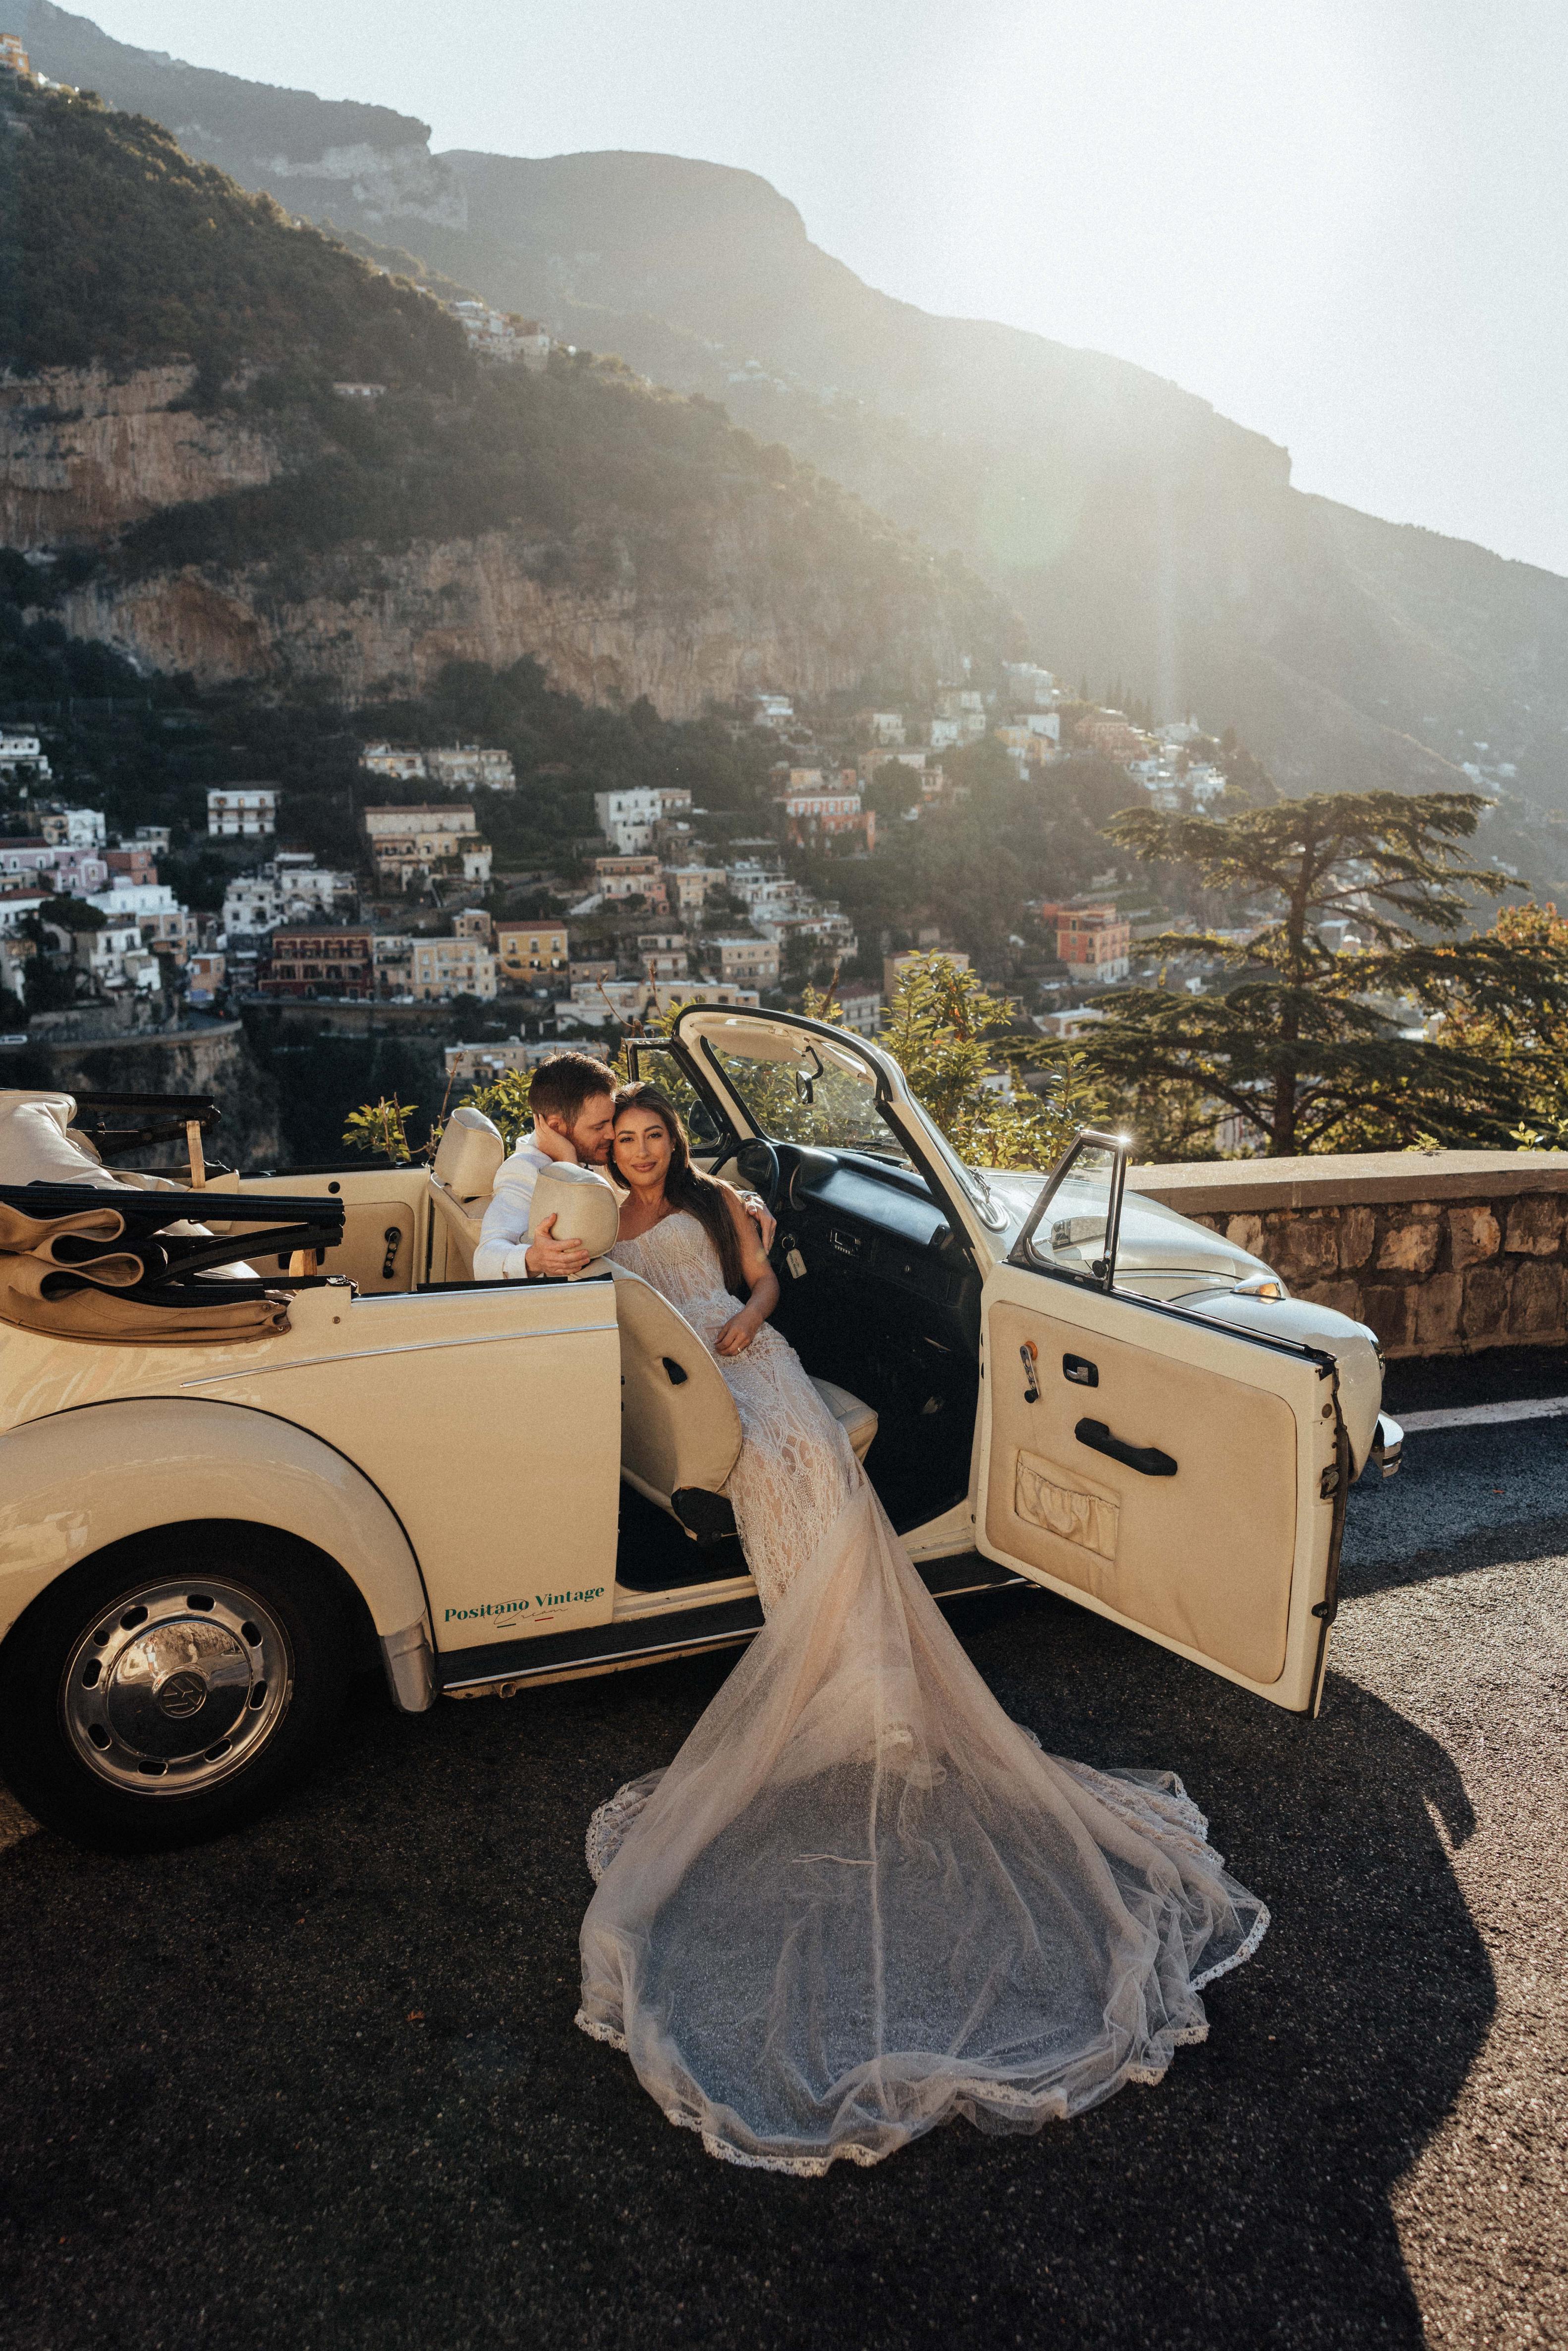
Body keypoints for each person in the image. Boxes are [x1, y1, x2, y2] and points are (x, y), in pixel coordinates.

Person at [577, 1083, 1270, 2177]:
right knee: (772, 1477)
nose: (646, 1148)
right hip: (694, 1384)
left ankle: (851, 1662)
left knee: (806, 1462)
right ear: (608, 1147)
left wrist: (755, 1313)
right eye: (629, 1138)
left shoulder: (715, 1200)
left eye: (658, 1133)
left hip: (752, 1360)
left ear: (674, 1140)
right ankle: (823, 1655)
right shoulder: (595, 1217)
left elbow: (757, 1279)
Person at [473, 1052, 777, 1282]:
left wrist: (743, 1201)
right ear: (557, 1127)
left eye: (611, 1121)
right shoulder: (524, 1172)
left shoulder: (595, 1154)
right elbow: (484, 1259)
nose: (612, 1135)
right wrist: (534, 1259)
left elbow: (659, 1179)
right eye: (600, 1126)